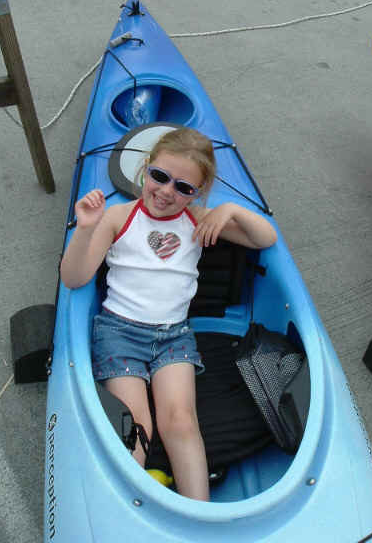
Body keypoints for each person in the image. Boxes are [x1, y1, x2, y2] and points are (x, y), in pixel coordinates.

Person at [60, 127, 277, 501]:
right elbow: (74, 277)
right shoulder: (118, 217)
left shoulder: (198, 219)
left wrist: (229, 210)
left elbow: (265, 238)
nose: (166, 192)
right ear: (146, 168)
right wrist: (85, 229)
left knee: (181, 422)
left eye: (183, 187)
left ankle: (198, 513)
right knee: (137, 424)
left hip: (173, 337)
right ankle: (130, 507)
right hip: (119, 333)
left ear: (198, 192)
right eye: (159, 176)